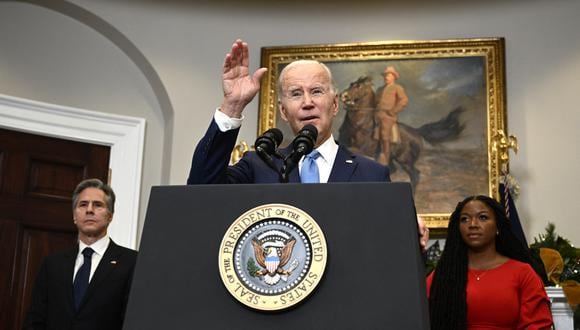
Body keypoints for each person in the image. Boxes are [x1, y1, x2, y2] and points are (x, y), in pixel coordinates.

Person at [186, 39, 428, 248]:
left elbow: (389, 248)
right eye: (295, 94)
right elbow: (200, 190)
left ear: (334, 105)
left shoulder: (371, 174)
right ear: (283, 111)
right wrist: (233, 105)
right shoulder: (258, 165)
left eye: (316, 91)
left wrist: (406, 229)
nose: (307, 102)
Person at [24, 178, 137, 330]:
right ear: (74, 216)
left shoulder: (132, 262)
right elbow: (35, 319)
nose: (89, 210)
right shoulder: (52, 264)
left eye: (98, 205)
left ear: (110, 216)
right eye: (83, 204)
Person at [427, 195, 553, 330]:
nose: (472, 224)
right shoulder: (442, 275)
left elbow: (538, 325)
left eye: (483, 217)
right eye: (465, 219)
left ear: (498, 226)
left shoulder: (523, 273)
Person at [374, 65, 408, 165]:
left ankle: (385, 159)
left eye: (388, 75)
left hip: (388, 116)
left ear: (394, 77)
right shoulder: (380, 89)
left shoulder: (397, 88)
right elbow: (375, 102)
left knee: (384, 135)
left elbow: (404, 100)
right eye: (385, 75)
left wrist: (393, 111)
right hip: (377, 115)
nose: (386, 77)